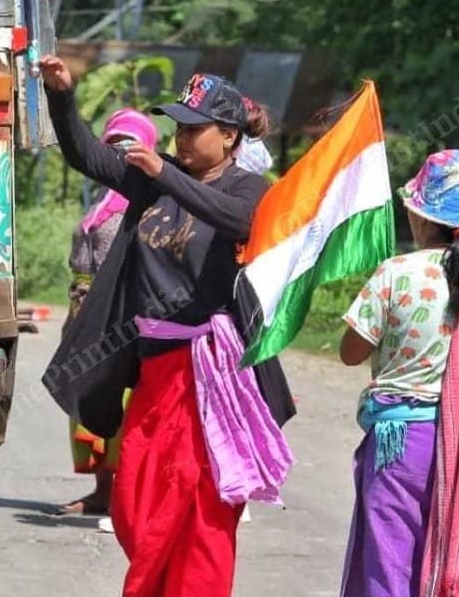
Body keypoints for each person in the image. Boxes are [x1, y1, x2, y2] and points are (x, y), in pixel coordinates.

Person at [38, 56, 296, 597]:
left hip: (212, 376)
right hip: (155, 372)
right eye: (177, 127)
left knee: (200, 508)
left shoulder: (251, 187)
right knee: (135, 504)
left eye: (194, 129)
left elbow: (242, 224)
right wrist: (62, 95)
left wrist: (166, 176)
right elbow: (85, 153)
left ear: (228, 137)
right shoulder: (154, 181)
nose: (180, 138)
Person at [338, 150, 459, 597]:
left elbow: (350, 352)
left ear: (419, 217)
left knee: (392, 561)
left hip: (404, 444)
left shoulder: (395, 273)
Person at [57, 108, 158, 522]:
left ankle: (128, 496)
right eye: (111, 145)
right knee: (85, 397)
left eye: (128, 145)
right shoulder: (101, 202)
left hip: (117, 316)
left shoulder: (147, 201)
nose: (118, 154)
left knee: (119, 403)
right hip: (83, 309)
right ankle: (102, 490)